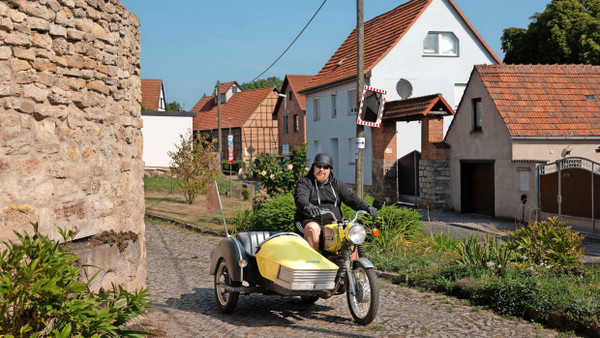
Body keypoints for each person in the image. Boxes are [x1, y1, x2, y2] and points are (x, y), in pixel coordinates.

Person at [294, 153, 378, 251]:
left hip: (333, 222)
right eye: (319, 166)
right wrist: (308, 206)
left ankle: (355, 264)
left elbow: (350, 197)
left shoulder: (336, 184)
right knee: (313, 228)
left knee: (351, 230)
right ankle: (313, 263)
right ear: (314, 167)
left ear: (329, 170)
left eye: (325, 167)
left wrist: (367, 207)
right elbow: (300, 197)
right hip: (309, 220)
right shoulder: (305, 182)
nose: (322, 169)